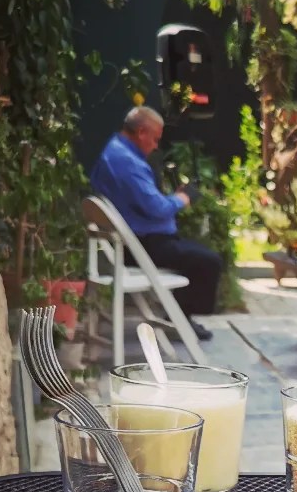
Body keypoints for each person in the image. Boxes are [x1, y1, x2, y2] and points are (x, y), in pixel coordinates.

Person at [89, 106, 221, 339]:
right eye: (155, 139)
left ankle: (179, 317)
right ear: (141, 132)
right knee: (208, 261)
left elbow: (146, 202)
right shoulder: (127, 162)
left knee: (195, 253)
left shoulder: (115, 150)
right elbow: (158, 208)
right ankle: (180, 322)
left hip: (133, 242)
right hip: (141, 246)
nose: (156, 145)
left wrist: (173, 198)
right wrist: (183, 198)